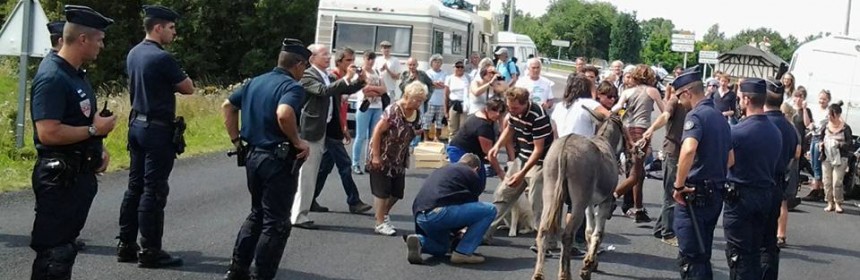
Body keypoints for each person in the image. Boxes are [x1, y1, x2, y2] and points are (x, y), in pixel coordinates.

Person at [29, 5, 116, 279]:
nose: (102, 46)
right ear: (83, 39)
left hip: (77, 173)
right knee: (54, 255)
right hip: (59, 178)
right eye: (99, 39)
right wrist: (93, 130)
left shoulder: (74, 74)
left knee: (64, 249)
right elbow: (48, 133)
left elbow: (77, 122)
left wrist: (96, 149)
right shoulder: (53, 77)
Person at [221, 38, 311, 280]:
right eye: (305, 68)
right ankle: (262, 274)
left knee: (257, 213)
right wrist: (297, 141)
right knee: (276, 223)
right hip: (277, 159)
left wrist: (236, 140)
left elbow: (227, 106)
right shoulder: (292, 87)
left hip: (252, 155)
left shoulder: (255, 82)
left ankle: (237, 269)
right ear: (299, 65)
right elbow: (284, 113)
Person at [118, 5, 195, 267]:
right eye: (171, 28)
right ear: (158, 27)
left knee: (134, 187)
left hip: (136, 124)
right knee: (154, 190)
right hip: (157, 129)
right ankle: (150, 250)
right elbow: (188, 88)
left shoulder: (134, 53)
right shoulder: (162, 58)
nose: (174, 33)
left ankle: (125, 244)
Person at [292, 44, 366, 230]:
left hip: (326, 129)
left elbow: (341, 90)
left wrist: (360, 81)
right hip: (312, 130)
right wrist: (347, 78)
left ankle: (307, 206)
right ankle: (298, 216)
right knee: (307, 173)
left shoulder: (327, 75)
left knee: (320, 169)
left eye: (328, 54)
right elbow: (323, 91)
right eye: (324, 54)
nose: (328, 57)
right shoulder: (309, 75)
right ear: (312, 58)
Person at [671, 66, 732, 279]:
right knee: (703, 253)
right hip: (715, 194)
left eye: (679, 96)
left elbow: (688, 149)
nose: (679, 101)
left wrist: (678, 185)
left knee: (691, 258)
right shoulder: (719, 117)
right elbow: (730, 159)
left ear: (687, 92)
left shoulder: (695, 116)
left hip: (693, 196)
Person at [722, 78, 782, 279]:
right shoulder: (776, 131)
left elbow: (726, 164)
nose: (738, 101)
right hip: (765, 195)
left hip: (741, 198)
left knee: (739, 256)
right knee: (754, 252)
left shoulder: (737, 132)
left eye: (740, 97)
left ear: (747, 99)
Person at [484, 87, 553, 244]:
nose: (511, 110)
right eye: (509, 107)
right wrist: (497, 145)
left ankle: (546, 241)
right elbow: (510, 127)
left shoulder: (538, 116)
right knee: (503, 194)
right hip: (522, 157)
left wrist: (521, 174)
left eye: (515, 108)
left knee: (537, 202)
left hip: (541, 162)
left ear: (525, 103)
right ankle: (485, 233)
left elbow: (538, 150)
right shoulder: (514, 112)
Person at [312, 48, 375, 214]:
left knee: (326, 165)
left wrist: (344, 126)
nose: (351, 64)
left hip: (335, 126)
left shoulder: (342, 79)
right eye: (348, 60)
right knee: (345, 165)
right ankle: (353, 200)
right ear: (338, 62)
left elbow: (342, 103)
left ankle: (311, 197)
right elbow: (333, 98)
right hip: (329, 127)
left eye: (353, 60)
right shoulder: (332, 77)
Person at [405, 153, 497, 265]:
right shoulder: (471, 173)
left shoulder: (441, 170)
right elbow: (471, 209)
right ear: (476, 168)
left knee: (442, 247)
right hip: (441, 212)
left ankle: (420, 241)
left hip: (421, 216)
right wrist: (461, 231)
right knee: (489, 210)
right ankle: (463, 252)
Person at [368, 81, 427, 236]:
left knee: (397, 192)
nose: (419, 103)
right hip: (383, 154)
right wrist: (375, 156)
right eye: (417, 99)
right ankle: (380, 223)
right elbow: (377, 131)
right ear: (407, 96)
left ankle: (383, 215)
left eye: (421, 100)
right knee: (382, 191)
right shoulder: (394, 110)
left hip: (399, 156)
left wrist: (417, 132)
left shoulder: (416, 112)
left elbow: (409, 130)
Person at [611, 64, 665, 223]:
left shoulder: (627, 92)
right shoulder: (652, 91)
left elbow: (618, 107)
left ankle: (639, 209)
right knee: (636, 173)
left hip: (628, 131)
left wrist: (606, 113)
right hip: (643, 132)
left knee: (638, 171)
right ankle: (611, 196)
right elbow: (665, 111)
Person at [643, 82, 689, 247]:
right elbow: (664, 117)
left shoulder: (690, 104)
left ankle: (660, 229)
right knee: (671, 194)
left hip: (680, 152)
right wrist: (652, 129)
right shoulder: (674, 101)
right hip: (673, 152)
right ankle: (668, 233)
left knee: (671, 194)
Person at [762, 79, 799, 280]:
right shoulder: (789, 127)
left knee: (749, 245)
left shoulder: (760, 123)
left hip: (758, 186)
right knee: (769, 243)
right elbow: (794, 154)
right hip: (777, 184)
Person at [447, 98, 507, 190]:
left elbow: (503, 134)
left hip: (474, 153)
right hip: (460, 151)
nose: (497, 114)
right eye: (494, 110)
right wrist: (500, 172)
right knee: (466, 180)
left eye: (501, 111)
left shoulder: (486, 117)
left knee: (480, 181)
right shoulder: (482, 126)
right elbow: (489, 153)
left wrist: (501, 120)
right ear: (487, 108)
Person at [351, 50, 386, 175]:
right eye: (368, 59)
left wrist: (374, 89)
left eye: (372, 59)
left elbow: (383, 89)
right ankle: (355, 163)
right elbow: (364, 90)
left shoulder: (376, 72)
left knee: (373, 136)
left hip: (377, 106)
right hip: (364, 106)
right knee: (360, 136)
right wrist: (375, 90)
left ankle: (369, 162)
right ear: (364, 59)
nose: (370, 61)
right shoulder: (360, 72)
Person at [817, 101, 853, 213]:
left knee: (837, 181)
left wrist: (838, 144)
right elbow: (820, 138)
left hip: (840, 157)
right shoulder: (825, 126)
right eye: (828, 114)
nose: (829, 117)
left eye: (830, 115)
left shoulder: (846, 128)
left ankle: (838, 202)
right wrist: (821, 144)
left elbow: (849, 143)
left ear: (837, 115)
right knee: (826, 180)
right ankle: (829, 202)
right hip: (827, 156)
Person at [802, 90, 832, 202]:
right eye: (820, 98)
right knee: (814, 164)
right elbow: (808, 123)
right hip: (814, 137)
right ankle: (819, 188)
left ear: (828, 100)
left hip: (822, 139)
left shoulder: (829, 112)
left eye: (824, 99)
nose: (821, 101)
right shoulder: (815, 109)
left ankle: (818, 189)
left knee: (819, 164)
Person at [423, 54, 448, 141]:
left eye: (439, 62)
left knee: (439, 120)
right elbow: (430, 84)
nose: (437, 64)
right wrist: (435, 84)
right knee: (427, 120)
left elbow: (444, 85)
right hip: (430, 100)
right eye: (435, 62)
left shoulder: (444, 73)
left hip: (441, 101)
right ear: (431, 63)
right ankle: (426, 137)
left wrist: (436, 84)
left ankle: (437, 137)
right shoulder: (428, 73)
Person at [445, 60, 470, 141]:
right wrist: (446, 110)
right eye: (457, 67)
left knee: (463, 128)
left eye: (461, 67)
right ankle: (451, 145)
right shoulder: (449, 78)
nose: (459, 69)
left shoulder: (468, 78)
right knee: (452, 128)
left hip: (464, 105)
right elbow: (446, 95)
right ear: (454, 68)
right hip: (453, 104)